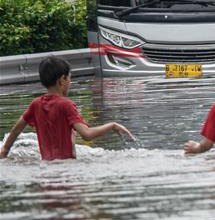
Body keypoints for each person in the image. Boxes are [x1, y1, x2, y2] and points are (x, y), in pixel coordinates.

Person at [0, 57, 134, 160]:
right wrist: (113, 125)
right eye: (70, 78)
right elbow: (87, 134)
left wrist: (5, 150)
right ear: (62, 80)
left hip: (46, 166)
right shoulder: (66, 105)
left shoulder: (36, 104)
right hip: (67, 168)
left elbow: (16, 129)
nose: (70, 82)